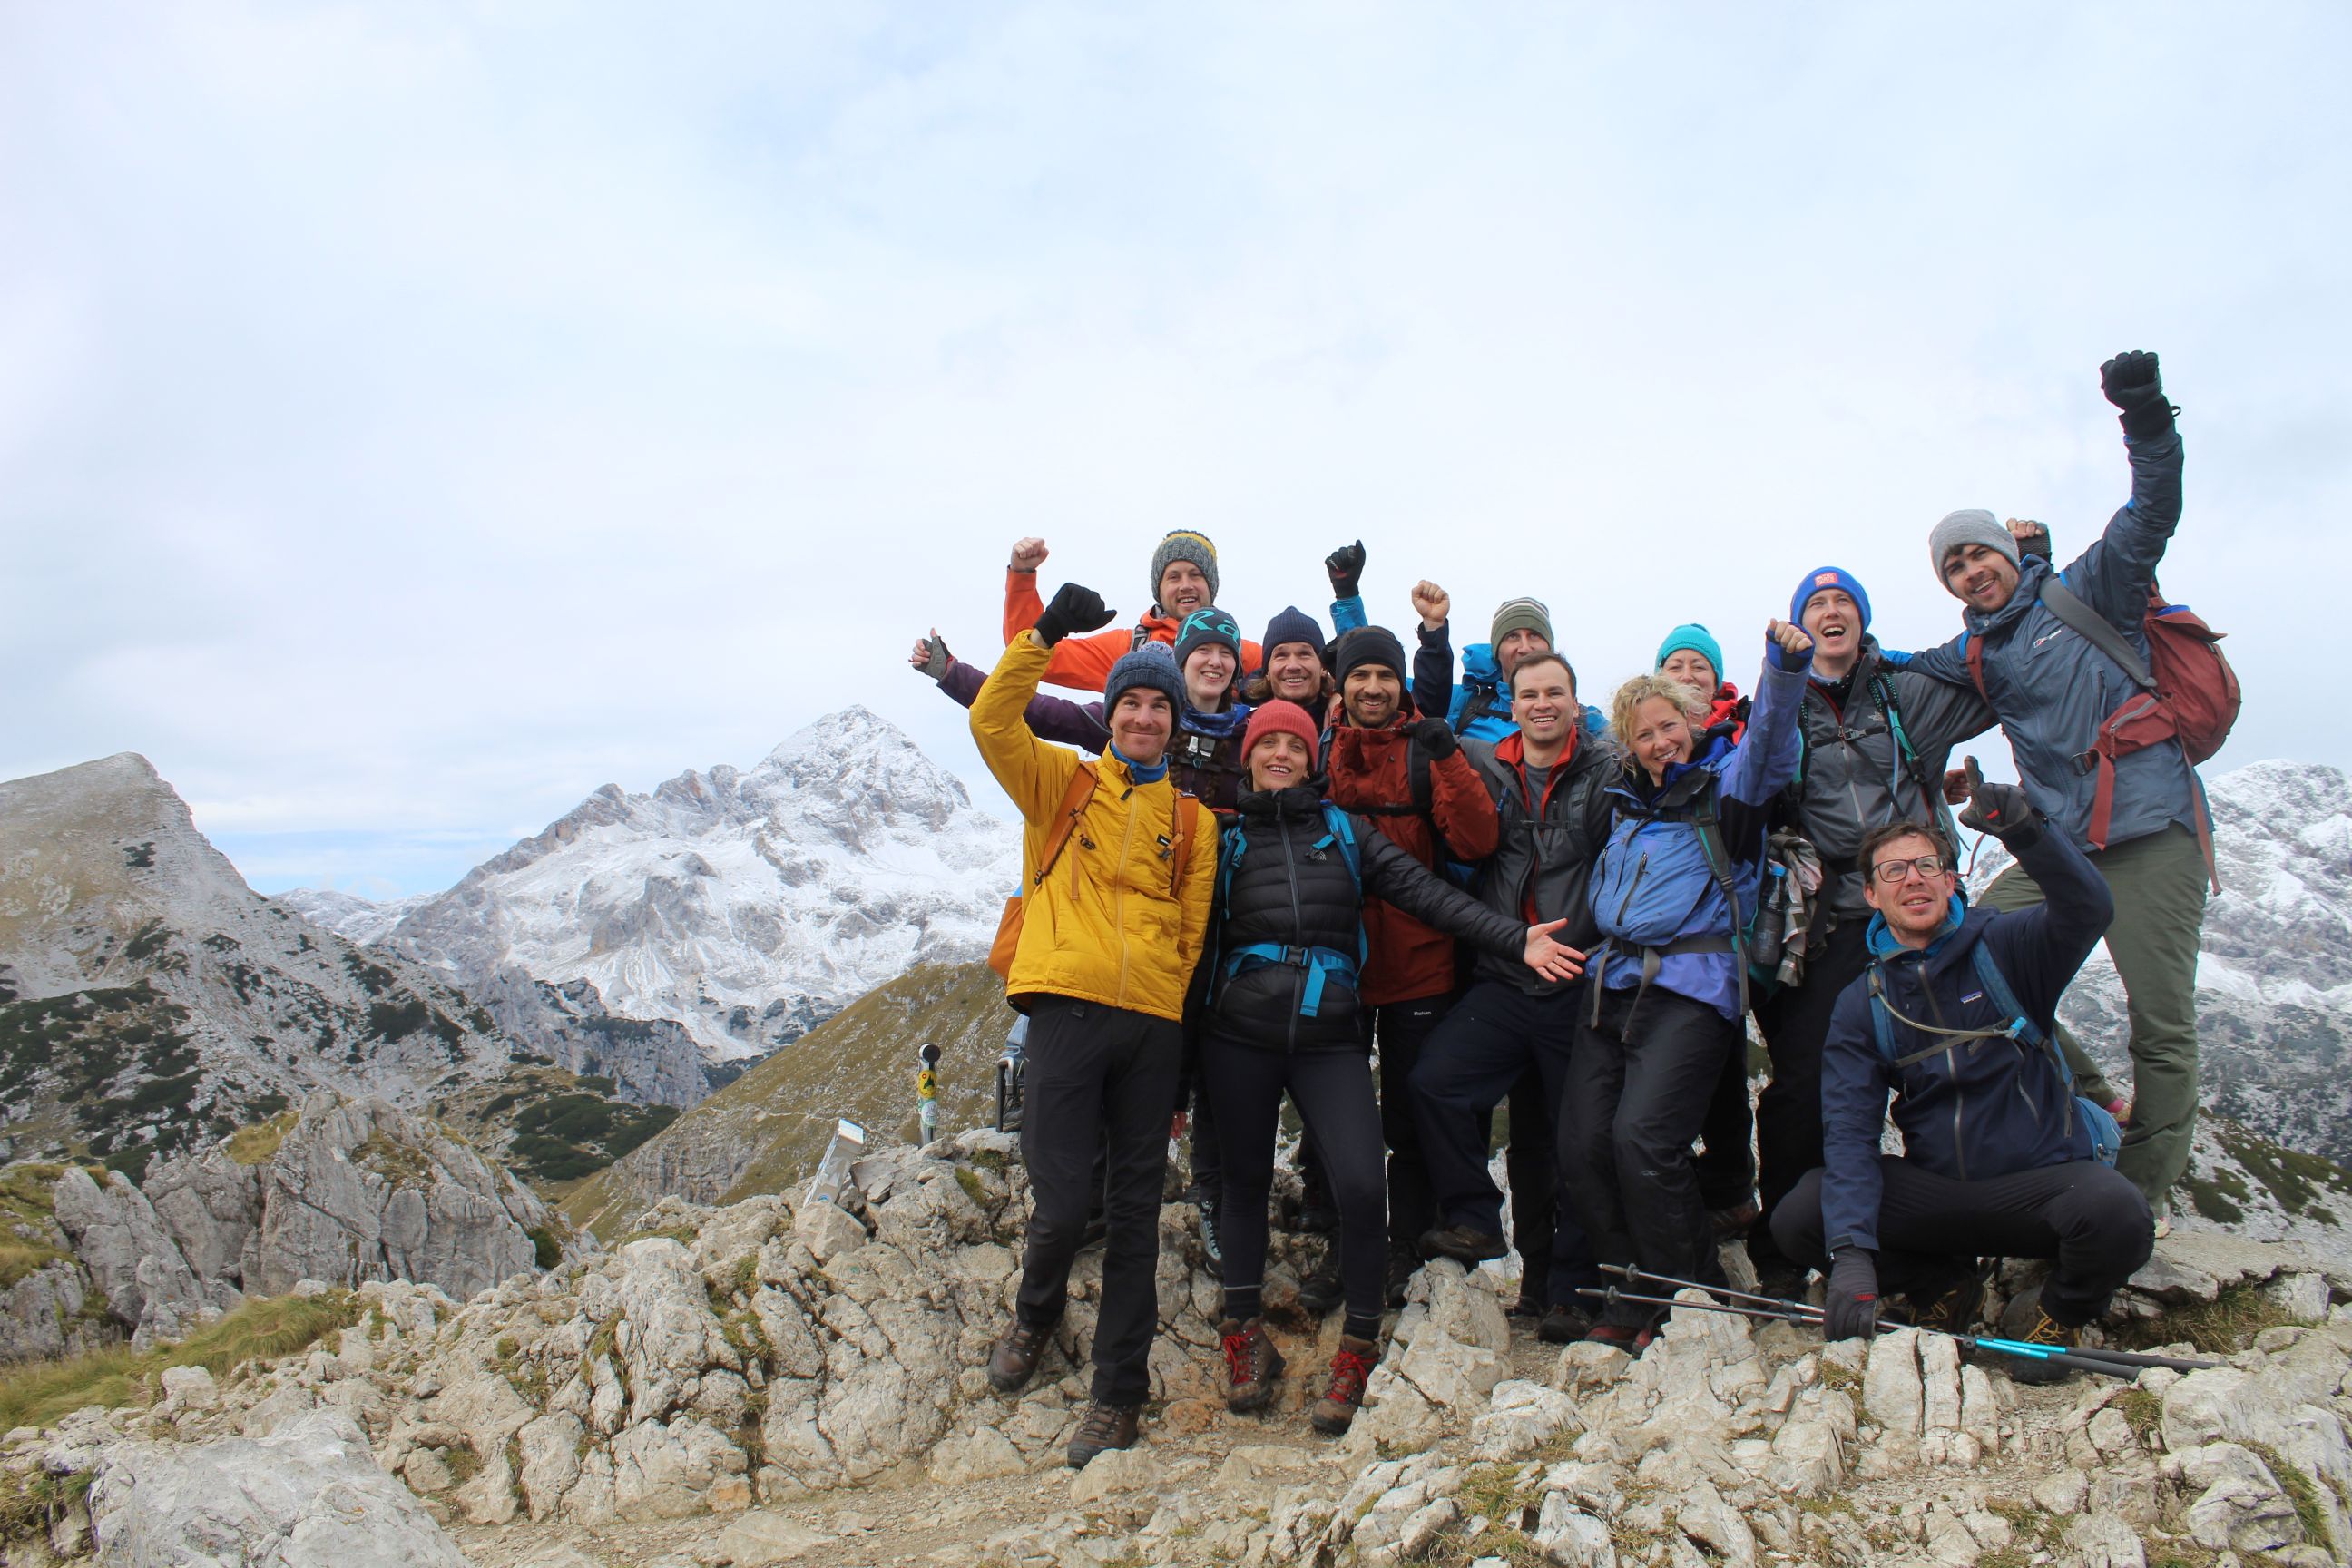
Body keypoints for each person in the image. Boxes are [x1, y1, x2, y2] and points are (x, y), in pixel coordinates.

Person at [1202, 699, 1582, 1434]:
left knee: (1359, 1182)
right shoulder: (1222, 839)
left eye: (1294, 743)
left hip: (1328, 1037)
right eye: (1267, 743)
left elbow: (1428, 895)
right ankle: (1242, 1335)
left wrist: (1515, 940)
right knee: (1243, 1186)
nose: (1280, 753)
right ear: (1247, 756)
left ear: (1313, 758)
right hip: (1236, 1036)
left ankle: (1358, 1346)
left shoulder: (1347, 833)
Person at [1901, 350, 2199, 1225]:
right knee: (1962, 953)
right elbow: (1897, 666)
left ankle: (2132, 1202)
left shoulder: (2088, 589)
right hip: (2062, 846)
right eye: (1952, 566)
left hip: (2151, 835)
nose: (1968, 571)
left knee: (2163, 1023)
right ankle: (2096, 1098)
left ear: (2005, 551)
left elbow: (2153, 511)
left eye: (1977, 554)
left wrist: (2144, 418)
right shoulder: (1974, 651)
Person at [1769, 777, 2153, 1379]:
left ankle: (2056, 1312)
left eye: (1926, 865)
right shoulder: (1862, 1001)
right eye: (1892, 872)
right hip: (1940, 1193)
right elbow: (1848, 1134)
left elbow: (2090, 908)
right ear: (1870, 895)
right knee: (1802, 1214)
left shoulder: (2006, 945)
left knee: (2119, 1214)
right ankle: (1942, 1288)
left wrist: (2025, 829)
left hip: (2040, 1184)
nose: (1913, 879)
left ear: (1952, 882)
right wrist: (1850, 1256)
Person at [968, 581, 1220, 1468]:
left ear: (1175, 722)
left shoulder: (1192, 821)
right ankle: (1035, 1315)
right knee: (1064, 1202)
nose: (1147, 717)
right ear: (1110, 714)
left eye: (1161, 704)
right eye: (1134, 702)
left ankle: (1117, 1397)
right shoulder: (1060, 786)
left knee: (1135, 1217)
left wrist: (1167, 1020)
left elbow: (1189, 937)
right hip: (1065, 1013)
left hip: (1150, 1027)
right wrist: (1041, 633)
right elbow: (992, 721)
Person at [1739, 566, 1996, 1295]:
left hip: (1921, 911)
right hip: (1833, 921)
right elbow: (1755, 773)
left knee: (1948, 1076)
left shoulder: (1903, 691)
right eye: (1815, 604)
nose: (1829, 612)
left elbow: (1990, 680)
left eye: (1842, 601)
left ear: (1861, 618)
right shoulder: (1782, 701)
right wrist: (1780, 676)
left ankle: (1952, 1246)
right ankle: (1785, 1249)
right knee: (1805, 1084)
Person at [1567, 622, 1812, 1351]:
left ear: (1693, 722)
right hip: (1612, 981)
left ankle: (1693, 1300)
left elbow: (1770, 746)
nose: (1659, 742)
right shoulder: (1625, 806)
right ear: (1628, 744)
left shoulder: (1727, 793)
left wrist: (1784, 671)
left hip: (1692, 988)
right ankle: (1632, 1293)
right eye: (1643, 734)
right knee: (1584, 1144)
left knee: (1644, 1139)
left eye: (1669, 725)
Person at [1407, 652, 1613, 1343]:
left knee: (1572, 1140)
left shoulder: (1604, 770)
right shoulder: (1486, 763)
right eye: (1530, 694)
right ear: (1514, 702)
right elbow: (1418, 709)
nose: (1542, 704)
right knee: (1435, 1082)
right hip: (1502, 973)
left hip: (1575, 983)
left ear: (1576, 703)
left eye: (1556, 692)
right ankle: (1473, 1216)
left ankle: (1571, 1289)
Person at [1319, 624, 1504, 1305]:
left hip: (1420, 963)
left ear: (1401, 685)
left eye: (1385, 677)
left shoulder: (1426, 752)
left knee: (1408, 1116)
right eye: (1361, 676)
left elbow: (1479, 839)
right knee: (1335, 1120)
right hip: (1338, 963)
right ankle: (1348, 1247)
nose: (1373, 688)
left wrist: (1449, 760)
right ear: (1342, 685)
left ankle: (1406, 1247)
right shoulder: (1320, 751)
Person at [916, 607, 1254, 810]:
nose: (1215, 662)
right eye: (1203, 650)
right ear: (1182, 660)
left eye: (1226, 653)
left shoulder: (1253, 736)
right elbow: (1040, 712)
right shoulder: (1135, 722)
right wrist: (952, 673)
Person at [1002, 531, 1264, 691]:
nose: (1185, 586)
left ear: (1211, 585)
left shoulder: (1243, 655)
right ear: (1159, 589)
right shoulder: (1127, 648)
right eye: (1173, 577)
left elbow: (1299, 678)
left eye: (1195, 575)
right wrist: (1023, 576)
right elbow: (1030, 653)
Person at [1657, 624, 1747, 739]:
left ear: (1715, 683)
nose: (1686, 676)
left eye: (1699, 667)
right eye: (1675, 667)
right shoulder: (1635, 734)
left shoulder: (1746, 734)